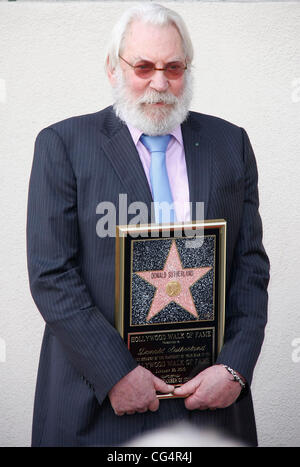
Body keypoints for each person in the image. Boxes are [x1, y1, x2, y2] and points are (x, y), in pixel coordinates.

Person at [27, 3, 270, 447]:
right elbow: (51, 275)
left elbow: (250, 267)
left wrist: (234, 368)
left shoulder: (230, 144)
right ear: (113, 69)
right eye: (143, 66)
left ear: (187, 70)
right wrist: (115, 373)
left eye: (173, 67)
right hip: (95, 407)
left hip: (208, 405)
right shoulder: (62, 145)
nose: (160, 83)